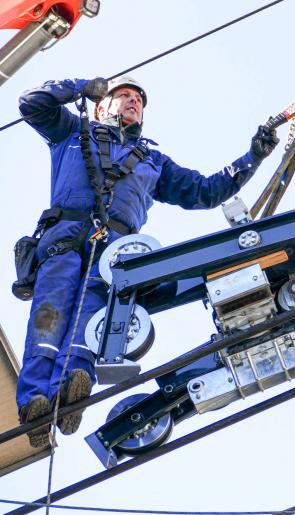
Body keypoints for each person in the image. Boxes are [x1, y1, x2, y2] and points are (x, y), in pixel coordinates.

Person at [15, 76, 279, 447]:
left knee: (94, 319)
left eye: (138, 99)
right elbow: (32, 103)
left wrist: (253, 158)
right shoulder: (72, 132)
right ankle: (34, 404)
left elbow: (206, 191)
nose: (132, 102)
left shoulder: (152, 162)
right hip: (65, 239)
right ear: (100, 107)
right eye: (122, 96)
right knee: (50, 314)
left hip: (113, 252)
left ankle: (71, 387)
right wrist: (79, 86)